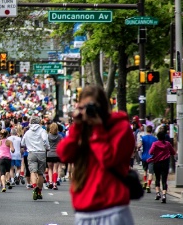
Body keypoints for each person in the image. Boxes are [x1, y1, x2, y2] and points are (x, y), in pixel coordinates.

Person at [56, 85, 135, 225]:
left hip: (112, 210)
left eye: (92, 107)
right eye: (83, 107)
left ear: (103, 107)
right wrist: (77, 126)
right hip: (83, 211)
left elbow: (108, 160)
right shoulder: (82, 129)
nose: (88, 112)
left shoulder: (120, 128)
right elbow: (64, 155)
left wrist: (98, 129)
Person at [21, 116, 49, 200]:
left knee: (32, 171)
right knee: (40, 173)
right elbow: (45, 140)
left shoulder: (28, 132)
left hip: (31, 153)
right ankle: (39, 192)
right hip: (41, 152)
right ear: (39, 122)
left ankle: (34, 186)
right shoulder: (42, 131)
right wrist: (47, 147)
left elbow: (22, 143)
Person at [147, 131, 176, 204]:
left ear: (158, 137)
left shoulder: (155, 143)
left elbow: (150, 152)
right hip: (165, 163)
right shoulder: (168, 144)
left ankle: (157, 193)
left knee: (157, 178)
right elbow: (173, 152)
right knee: (164, 179)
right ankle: (164, 195)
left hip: (157, 163)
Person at [137, 125, 157, 193]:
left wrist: (138, 148)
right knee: (151, 172)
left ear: (146, 130)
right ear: (152, 131)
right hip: (151, 157)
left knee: (145, 170)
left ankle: (145, 181)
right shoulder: (155, 139)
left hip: (144, 156)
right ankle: (148, 185)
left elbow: (139, 145)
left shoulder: (143, 138)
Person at [46, 122, 62, 190]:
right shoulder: (59, 136)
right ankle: (55, 183)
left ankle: (50, 182)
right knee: (55, 169)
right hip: (57, 154)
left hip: (49, 154)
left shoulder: (48, 136)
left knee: (50, 169)